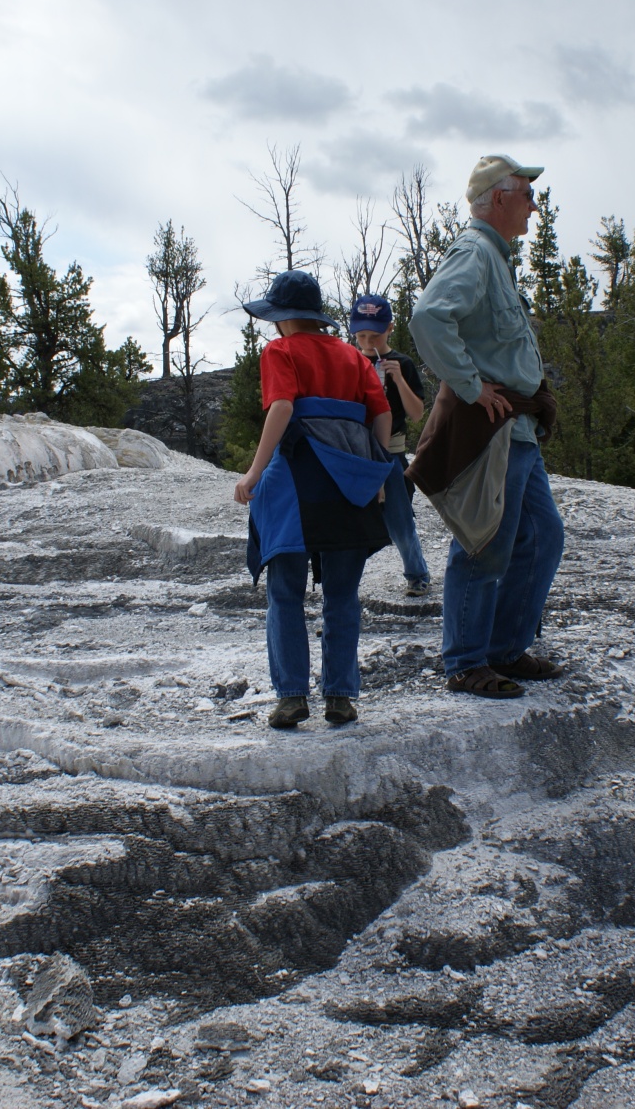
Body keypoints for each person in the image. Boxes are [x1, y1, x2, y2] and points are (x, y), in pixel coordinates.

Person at [409, 154, 564, 699]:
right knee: (483, 541)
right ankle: (466, 662)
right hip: (495, 430)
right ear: (499, 198)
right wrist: (472, 387)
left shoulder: (496, 257)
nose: (533, 206)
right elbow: (428, 317)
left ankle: (504, 649)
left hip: (517, 431)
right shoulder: (475, 251)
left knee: (541, 536)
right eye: (527, 194)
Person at [234, 270, 394, 730]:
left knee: (285, 593)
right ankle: (340, 698)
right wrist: (376, 471)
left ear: (282, 317)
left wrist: (254, 471)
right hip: (349, 485)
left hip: (295, 484)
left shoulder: (279, 350)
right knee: (342, 595)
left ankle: (291, 698)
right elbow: (381, 414)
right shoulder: (353, 355)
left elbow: (283, 407)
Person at [349, 294, 431, 596]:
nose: (368, 342)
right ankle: (345, 580)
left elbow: (417, 413)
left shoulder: (402, 364)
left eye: (375, 335)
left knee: (400, 520)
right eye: (361, 336)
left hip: (392, 453)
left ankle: (417, 573)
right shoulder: (350, 361)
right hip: (358, 451)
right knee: (353, 520)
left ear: (390, 328)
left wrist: (398, 380)